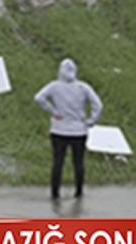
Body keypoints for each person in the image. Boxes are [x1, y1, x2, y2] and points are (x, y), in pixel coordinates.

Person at [34, 58, 102, 199]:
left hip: (58, 130)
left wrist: (53, 111)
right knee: (78, 163)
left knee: (58, 162)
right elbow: (98, 105)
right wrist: (91, 121)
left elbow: (39, 98)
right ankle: (78, 192)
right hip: (79, 131)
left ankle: (55, 193)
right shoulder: (83, 87)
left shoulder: (54, 86)